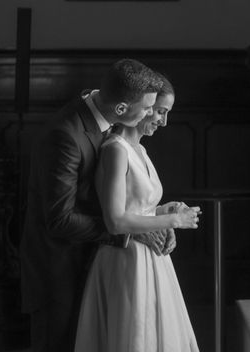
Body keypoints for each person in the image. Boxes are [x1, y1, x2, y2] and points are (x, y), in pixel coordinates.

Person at [20, 58, 168, 352]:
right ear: (122, 109)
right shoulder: (64, 136)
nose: (152, 114)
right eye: (149, 108)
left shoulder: (108, 118)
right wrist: (129, 231)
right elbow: (60, 220)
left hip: (95, 264)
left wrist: (157, 216)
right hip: (59, 273)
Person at [74, 75, 201, 352]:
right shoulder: (115, 150)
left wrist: (164, 211)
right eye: (159, 112)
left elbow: (137, 207)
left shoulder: (140, 149)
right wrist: (174, 221)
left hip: (151, 260)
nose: (162, 121)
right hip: (126, 260)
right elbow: (116, 219)